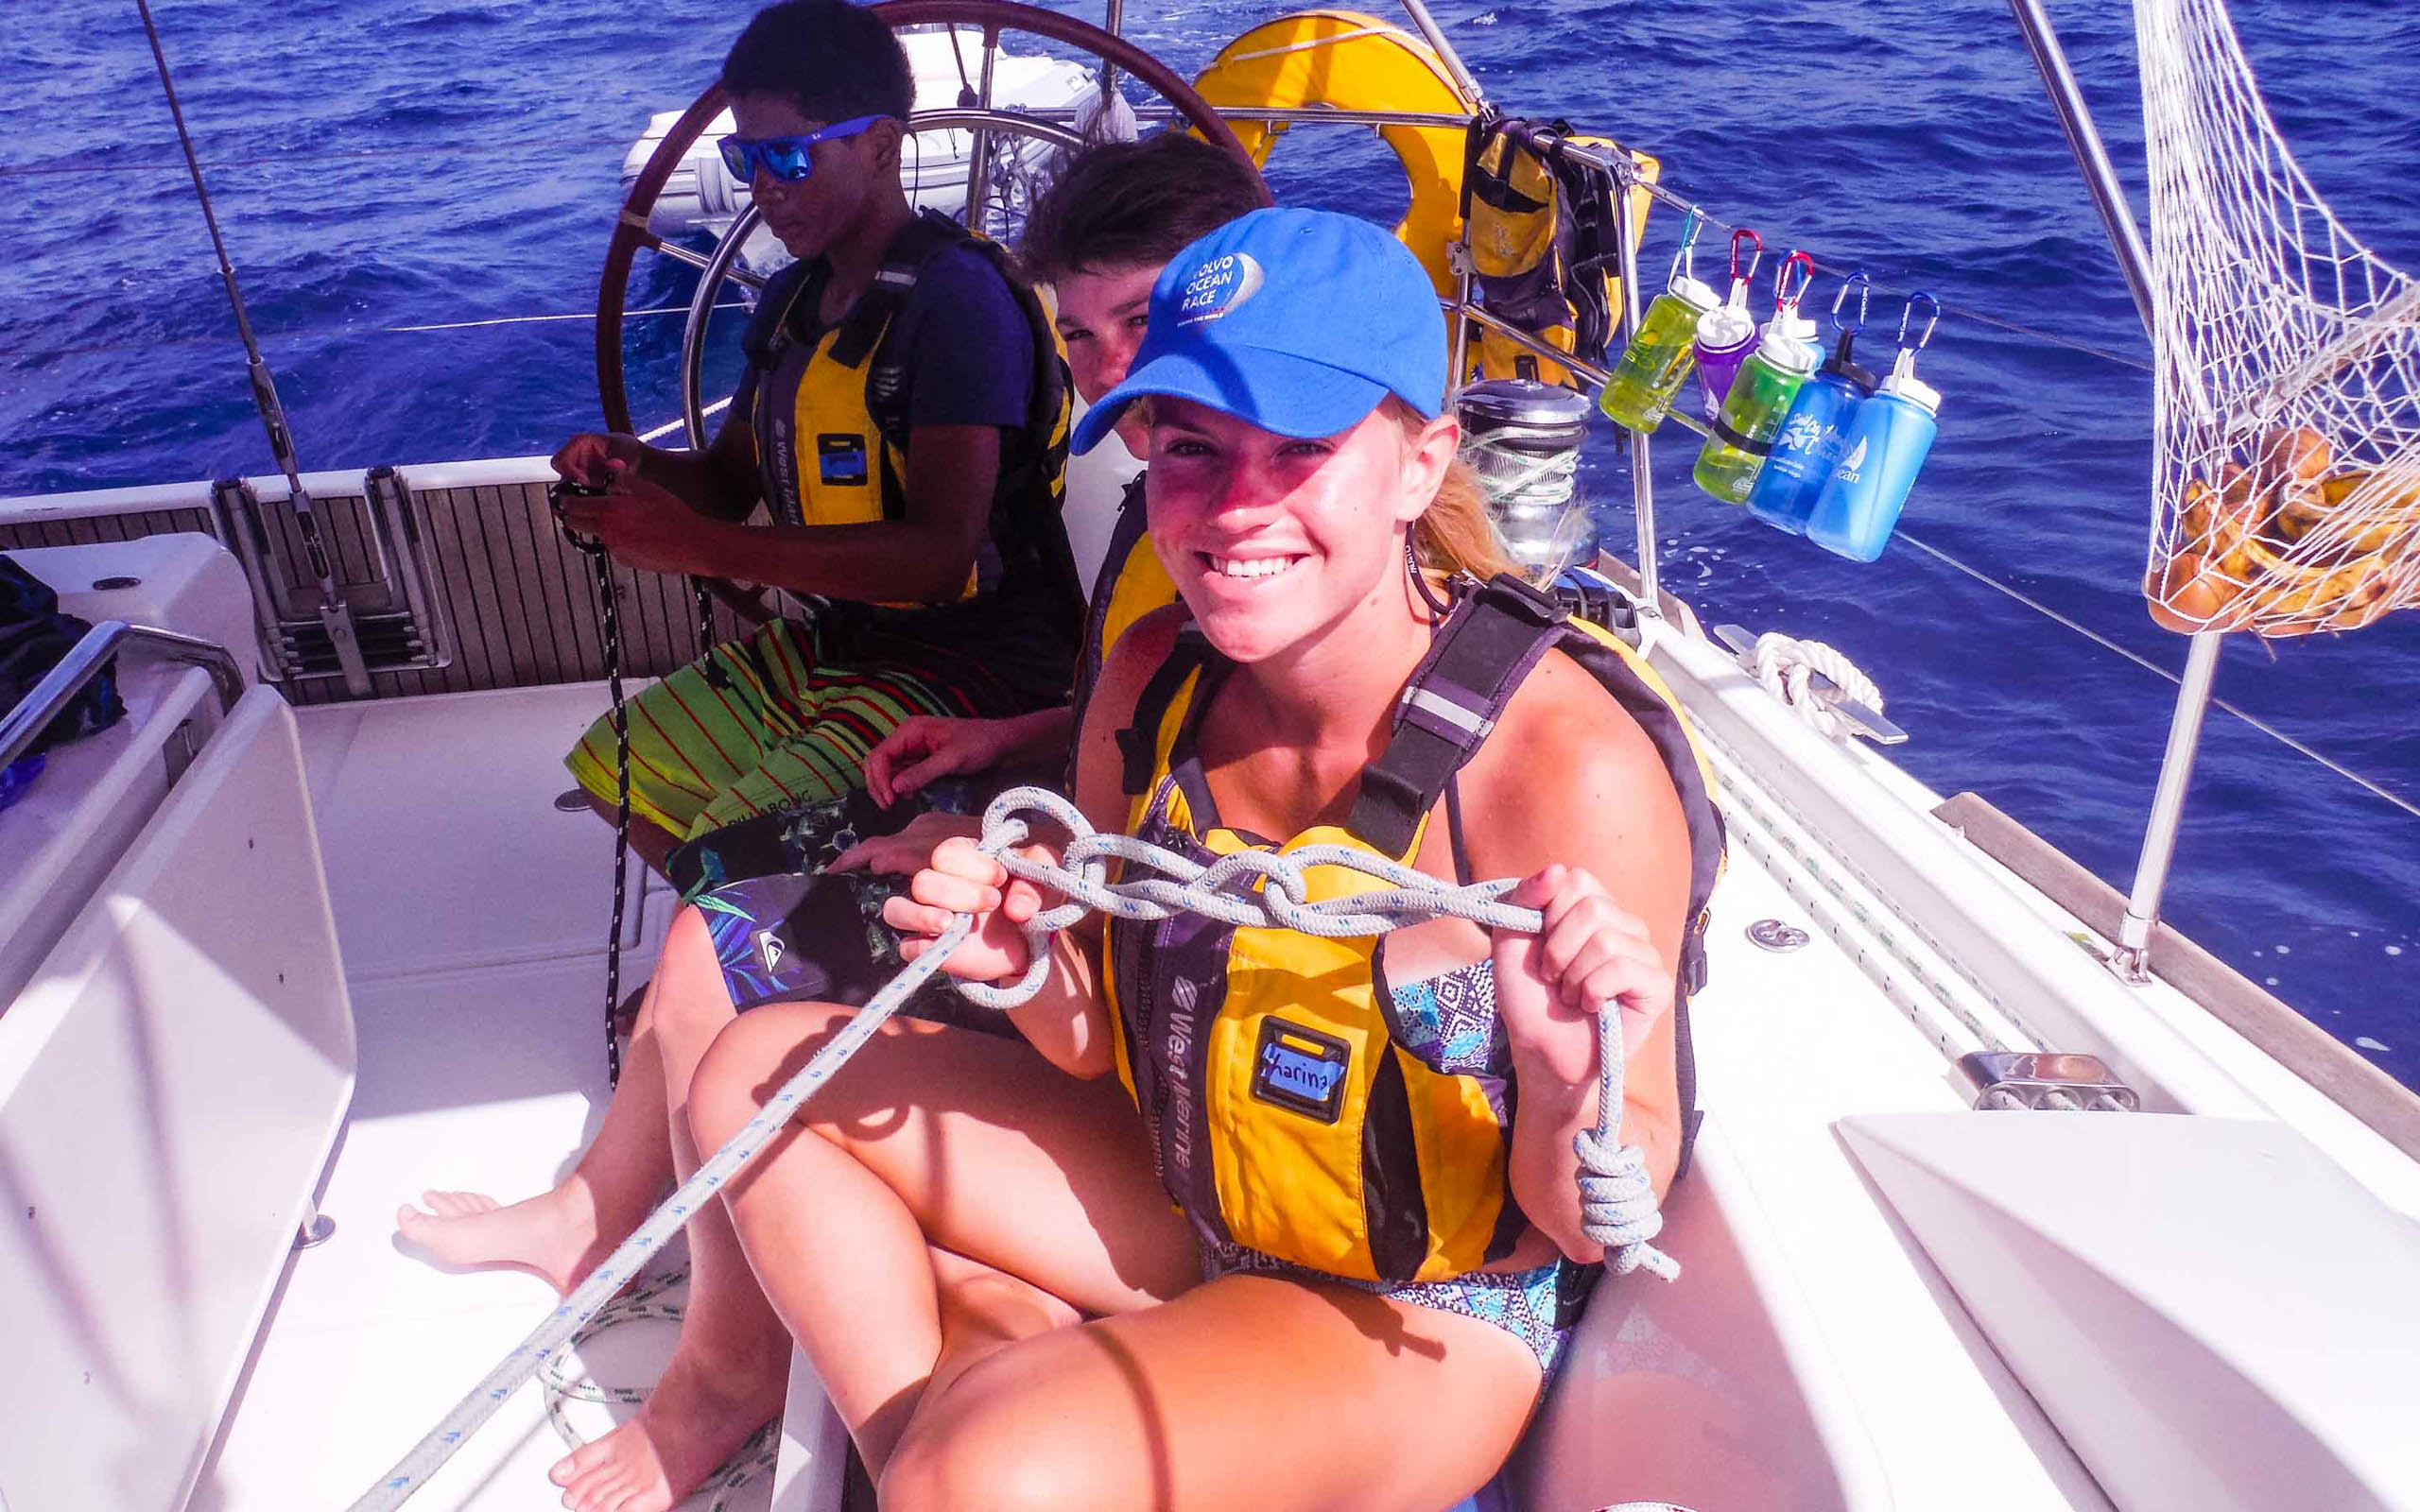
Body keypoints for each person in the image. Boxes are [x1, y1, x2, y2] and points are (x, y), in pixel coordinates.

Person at [683, 208, 1723, 1509]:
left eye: (1301, 449)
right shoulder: (1151, 682)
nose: (1237, 507)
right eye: (1190, 449)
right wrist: (1022, 965)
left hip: (1418, 1306)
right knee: (756, 1074)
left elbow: (1590, 1223)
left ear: (1420, 465)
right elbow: (1107, 1047)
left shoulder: (1561, 764)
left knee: (984, 1464)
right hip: (1200, 1192)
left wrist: (1573, 1086)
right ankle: (944, 1446)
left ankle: (969, 1442)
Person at [394, 131, 1266, 1512]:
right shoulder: (1181, 488)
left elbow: (1202, 812)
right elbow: (1124, 727)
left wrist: (995, 851)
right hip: (1044, 844)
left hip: (1100, 969)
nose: (1108, 370)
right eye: (1084, 334)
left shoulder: (1241, 539)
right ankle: (613, 1196)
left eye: (1144, 325)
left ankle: (719, 1376)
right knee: (693, 863)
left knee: (711, 948)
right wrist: (1005, 760)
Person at [549, 0, 1082, 883]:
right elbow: (726, 483)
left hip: (987, 663)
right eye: (743, 159)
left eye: (787, 155)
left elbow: (940, 559)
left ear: (878, 145)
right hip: (850, 642)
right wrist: (633, 467)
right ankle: (750, 949)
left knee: (727, 847)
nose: (764, 186)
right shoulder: (791, 301)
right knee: (615, 769)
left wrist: (695, 548)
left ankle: (757, 968)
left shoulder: (959, 302)